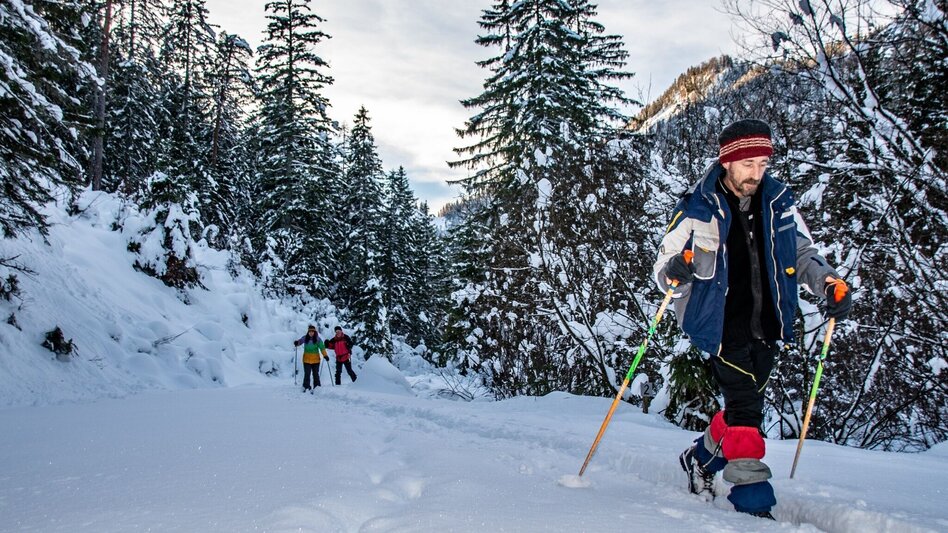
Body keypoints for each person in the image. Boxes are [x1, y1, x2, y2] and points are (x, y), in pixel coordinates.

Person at [652, 119, 852, 519]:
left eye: (763, 163)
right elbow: (663, 268)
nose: (756, 174)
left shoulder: (779, 203)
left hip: (767, 321)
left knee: (745, 405)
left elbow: (802, 253)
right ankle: (752, 502)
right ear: (727, 162)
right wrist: (677, 268)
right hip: (716, 322)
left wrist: (829, 283)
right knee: (746, 410)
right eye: (748, 165)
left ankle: (702, 459)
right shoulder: (696, 207)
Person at [293, 325, 329, 392]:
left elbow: (322, 348)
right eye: (310, 331)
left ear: (314, 332)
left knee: (315, 374)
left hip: (316, 360)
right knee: (307, 374)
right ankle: (306, 387)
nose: (311, 333)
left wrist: (325, 355)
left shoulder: (318, 339)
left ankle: (317, 387)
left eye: (312, 331)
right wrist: (296, 343)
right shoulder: (305, 338)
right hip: (306, 360)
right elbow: (300, 342)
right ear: (308, 332)